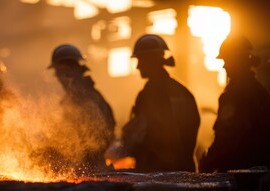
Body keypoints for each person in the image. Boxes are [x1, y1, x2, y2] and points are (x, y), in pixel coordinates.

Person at [109, 34, 200, 172]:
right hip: (184, 170)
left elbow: (144, 135)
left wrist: (118, 152)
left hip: (156, 172)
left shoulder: (149, 95)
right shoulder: (183, 91)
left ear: (151, 61)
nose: (138, 66)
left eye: (140, 60)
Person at [35, 44, 116, 175]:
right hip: (80, 166)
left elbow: (98, 138)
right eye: (58, 74)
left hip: (88, 170)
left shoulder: (86, 98)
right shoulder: (74, 99)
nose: (60, 78)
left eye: (61, 73)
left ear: (73, 70)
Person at [199, 34, 270, 172]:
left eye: (227, 60)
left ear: (237, 61)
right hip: (258, 169)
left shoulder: (234, 94)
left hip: (237, 170)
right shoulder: (259, 91)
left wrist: (208, 162)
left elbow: (226, 136)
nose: (224, 65)